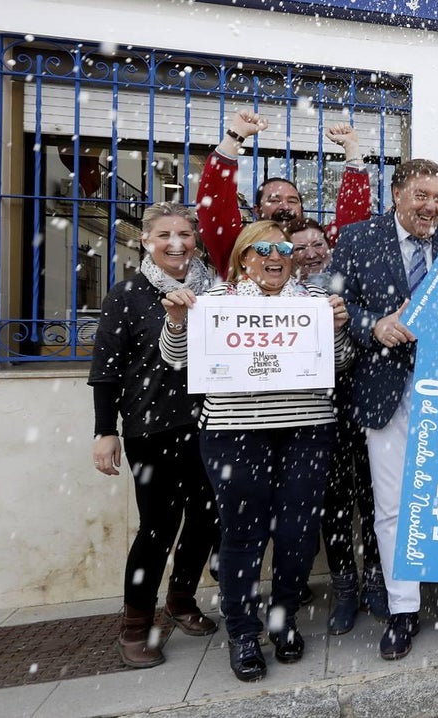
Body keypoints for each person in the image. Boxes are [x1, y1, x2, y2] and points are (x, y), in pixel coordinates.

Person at [160, 220, 353, 682]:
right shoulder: (213, 304)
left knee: (297, 532)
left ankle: (283, 619)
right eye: (263, 247)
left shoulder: (313, 303)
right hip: (234, 432)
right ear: (244, 257)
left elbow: (341, 362)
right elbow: (174, 358)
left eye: (284, 247)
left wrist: (340, 329)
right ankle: (244, 633)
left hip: (307, 430)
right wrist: (176, 320)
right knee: (242, 534)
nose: (276, 255)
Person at [329, 159, 438, 660]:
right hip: (386, 391)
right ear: (397, 192)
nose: (431, 206)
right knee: (393, 507)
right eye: (422, 195)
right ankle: (403, 610)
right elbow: (337, 305)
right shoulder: (358, 238)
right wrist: (372, 325)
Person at [88, 202, 220, 668]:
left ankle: (181, 601)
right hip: (152, 429)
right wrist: (106, 431)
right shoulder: (126, 294)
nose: (176, 244)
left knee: (207, 521)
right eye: (165, 235)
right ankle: (135, 625)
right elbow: (105, 371)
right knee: (157, 529)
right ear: (146, 241)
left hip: (211, 425)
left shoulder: (218, 290)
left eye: (184, 234)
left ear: (196, 240)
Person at [284, 216, 390, 634]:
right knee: (334, 507)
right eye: (300, 248)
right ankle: (345, 588)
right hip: (314, 417)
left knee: (375, 497)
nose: (311, 253)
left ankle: (377, 582)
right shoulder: (281, 298)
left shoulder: (348, 289)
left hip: (364, 408)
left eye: (317, 245)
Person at [197, 109, 371, 278]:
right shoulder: (241, 248)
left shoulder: (320, 243)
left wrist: (352, 148)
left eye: (292, 200)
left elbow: (354, 221)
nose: (285, 206)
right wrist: (234, 137)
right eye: (274, 200)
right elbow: (214, 209)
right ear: (257, 210)